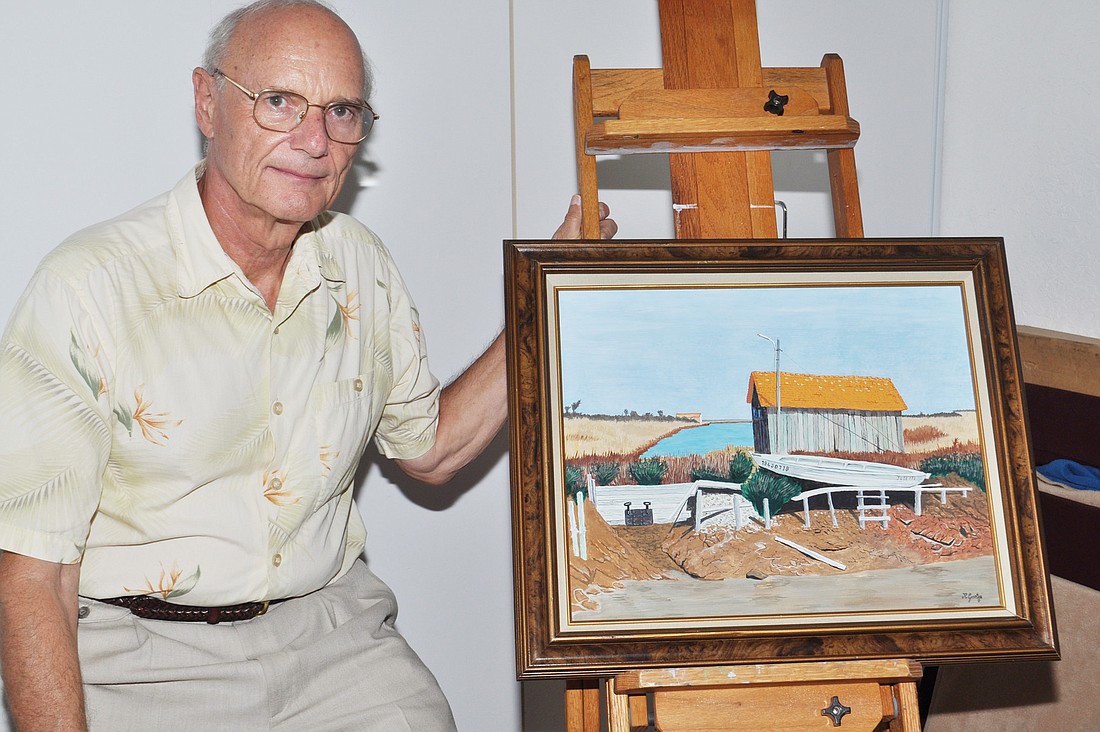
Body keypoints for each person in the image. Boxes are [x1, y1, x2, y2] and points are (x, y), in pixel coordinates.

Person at [0, 1, 616, 729]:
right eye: (280, 102)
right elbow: (32, 578)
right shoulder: (88, 287)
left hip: (332, 637)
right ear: (207, 100)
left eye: (342, 111)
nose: (313, 140)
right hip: (140, 657)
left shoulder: (359, 263)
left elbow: (433, 449)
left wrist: (548, 285)